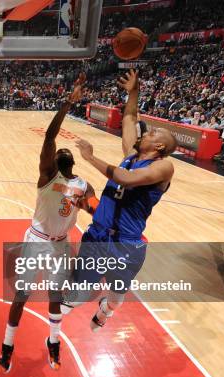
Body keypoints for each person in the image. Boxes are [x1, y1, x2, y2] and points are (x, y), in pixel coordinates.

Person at [64, 69, 177, 332]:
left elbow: (126, 179)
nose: (146, 132)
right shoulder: (131, 153)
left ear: (159, 147)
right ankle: (69, 305)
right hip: (98, 235)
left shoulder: (164, 167)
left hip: (125, 243)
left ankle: (107, 309)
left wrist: (90, 158)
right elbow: (128, 119)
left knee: (115, 295)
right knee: (77, 292)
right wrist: (133, 92)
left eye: (153, 133)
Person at [0, 74, 94, 374]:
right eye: (56, 153)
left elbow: (95, 207)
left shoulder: (82, 184)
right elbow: (50, 138)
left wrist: (87, 207)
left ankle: (53, 343)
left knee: (55, 297)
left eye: (62, 153)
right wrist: (67, 103)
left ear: (71, 161)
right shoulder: (48, 177)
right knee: (21, 296)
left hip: (60, 246)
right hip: (36, 240)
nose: (58, 152)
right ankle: (7, 347)